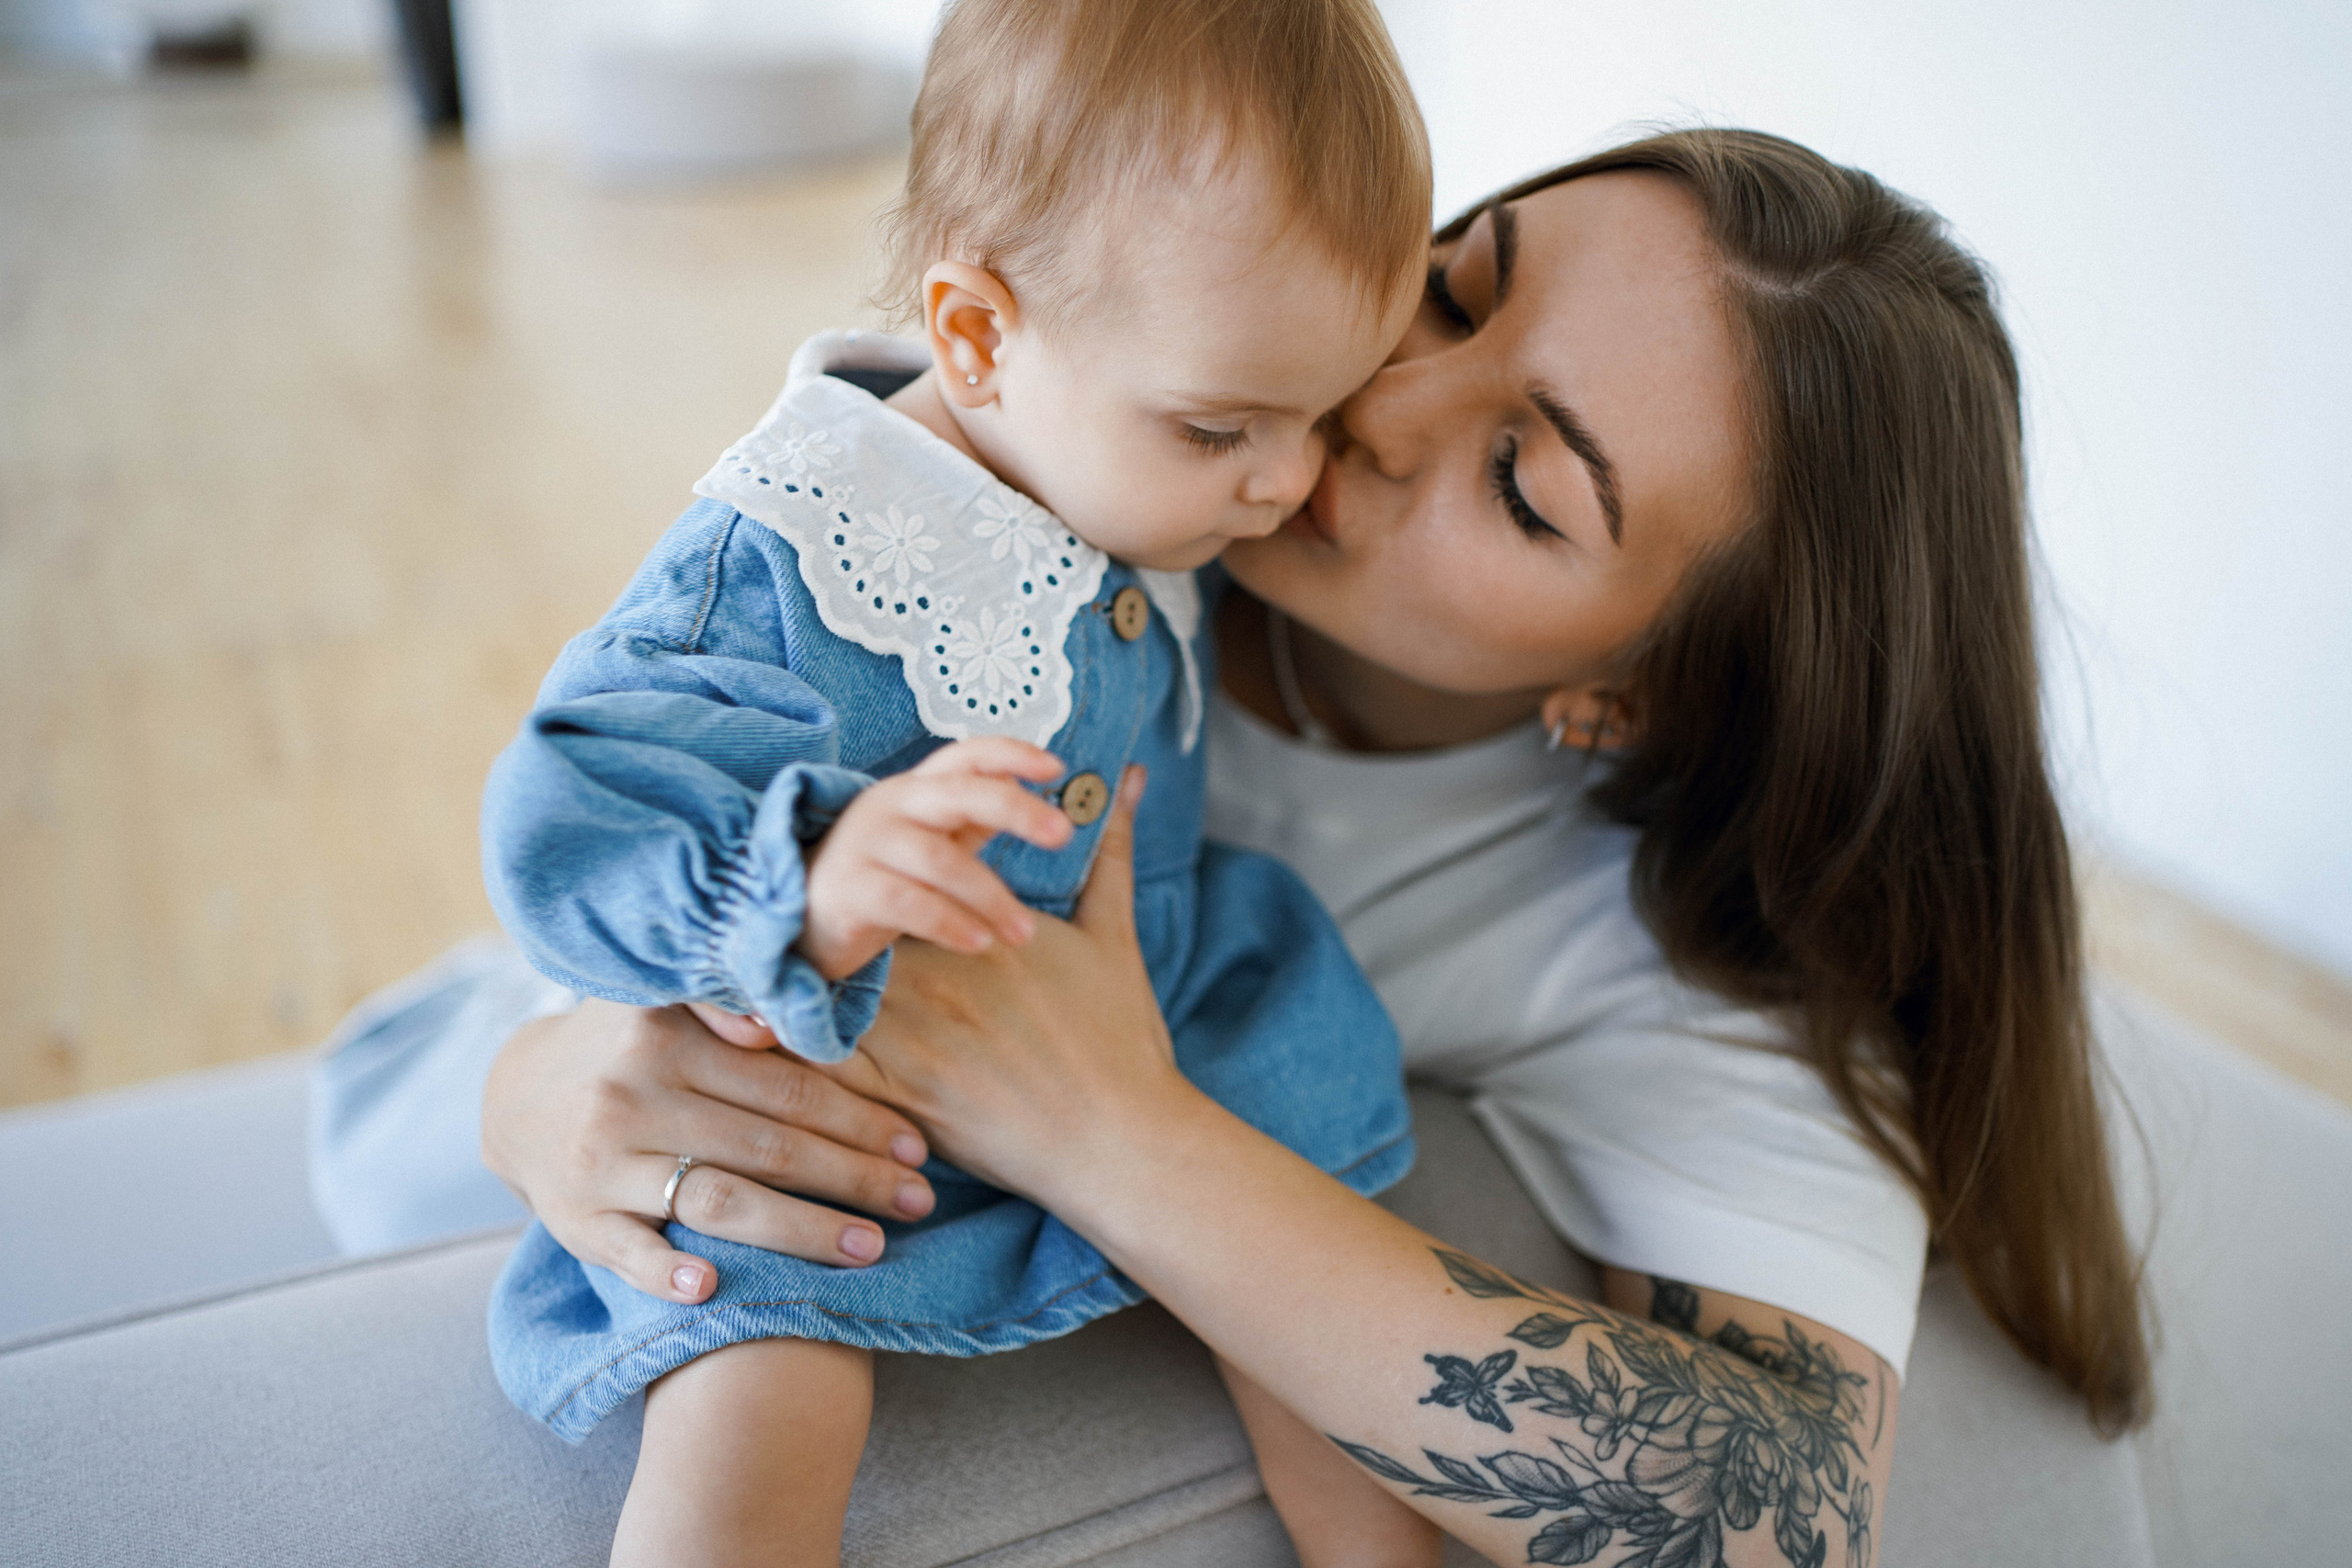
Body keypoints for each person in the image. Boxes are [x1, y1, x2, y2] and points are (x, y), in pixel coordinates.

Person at [318, 129, 2152, 1568]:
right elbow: (599, 809)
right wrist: (541, 1084)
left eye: (1522, 485)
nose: (1379, 409)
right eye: (1449, 288)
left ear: (1641, 691)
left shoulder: (1652, 952)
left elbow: (1778, 1519)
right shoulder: (1057, 456)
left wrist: (1111, 1129)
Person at [472, 3, 1439, 1563]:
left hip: (1151, 1016)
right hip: (838, 1076)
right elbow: (570, 803)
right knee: (759, 1385)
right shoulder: (794, 549)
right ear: (977, 336)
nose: (1290, 482)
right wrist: (809, 880)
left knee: (1317, 1286)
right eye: (1225, 427)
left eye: (1323, 414)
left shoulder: (1138, 466)